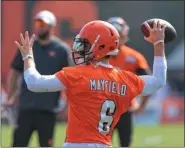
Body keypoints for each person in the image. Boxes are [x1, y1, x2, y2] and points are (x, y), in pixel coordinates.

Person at [15, 20, 167, 147]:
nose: (80, 48)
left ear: (100, 47)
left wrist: (27, 56)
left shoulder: (77, 74)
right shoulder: (125, 79)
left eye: (85, 44)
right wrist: (158, 44)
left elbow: (34, 83)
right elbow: (158, 81)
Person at [6, 10, 73, 147]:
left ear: (52, 26)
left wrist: (67, 105)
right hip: (25, 107)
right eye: (37, 22)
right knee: (18, 144)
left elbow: (70, 79)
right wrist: (10, 96)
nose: (39, 26)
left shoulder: (62, 49)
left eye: (43, 23)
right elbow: (14, 72)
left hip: (48, 109)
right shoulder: (27, 47)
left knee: (46, 145)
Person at [107, 17, 152, 147]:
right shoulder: (96, 56)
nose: (116, 40)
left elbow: (149, 83)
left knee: (125, 144)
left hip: (125, 109)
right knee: (99, 144)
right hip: (102, 109)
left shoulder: (134, 57)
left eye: (118, 36)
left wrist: (142, 105)